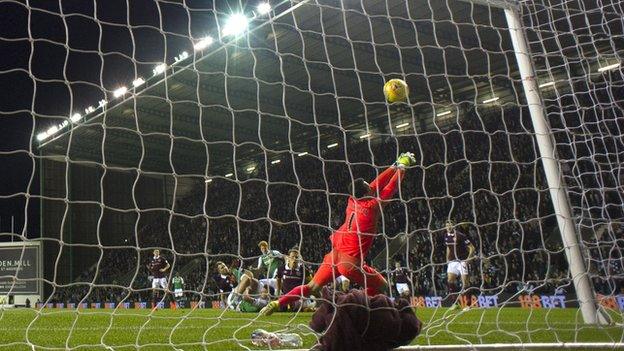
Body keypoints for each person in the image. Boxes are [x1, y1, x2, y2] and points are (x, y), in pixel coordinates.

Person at [260, 152, 414, 316]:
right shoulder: (372, 207)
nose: (371, 184)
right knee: (382, 285)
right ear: (367, 191)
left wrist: (394, 165)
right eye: (368, 185)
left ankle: (278, 302)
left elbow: (375, 185)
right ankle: (360, 312)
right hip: (350, 262)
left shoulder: (352, 200)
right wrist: (402, 169)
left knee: (311, 287)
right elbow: (389, 188)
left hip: (335, 255)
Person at [444, 220, 476, 310]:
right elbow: (448, 247)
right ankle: (455, 303)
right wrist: (447, 259)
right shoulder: (446, 236)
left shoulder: (460, 235)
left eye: (450, 225)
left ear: (454, 226)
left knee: (465, 283)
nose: (448, 227)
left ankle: (468, 305)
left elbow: (472, 248)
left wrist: (468, 259)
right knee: (450, 281)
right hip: (452, 262)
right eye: (447, 225)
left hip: (462, 261)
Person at [276, 247, 312, 311]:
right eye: (292, 257)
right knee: (280, 307)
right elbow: (278, 280)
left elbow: (311, 283)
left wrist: (306, 295)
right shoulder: (281, 268)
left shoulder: (303, 270)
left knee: (296, 306)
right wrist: (278, 293)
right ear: (289, 258)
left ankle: (307, 305)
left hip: (298, 298)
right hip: (286, 296)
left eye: (296, 257)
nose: (294, 259)